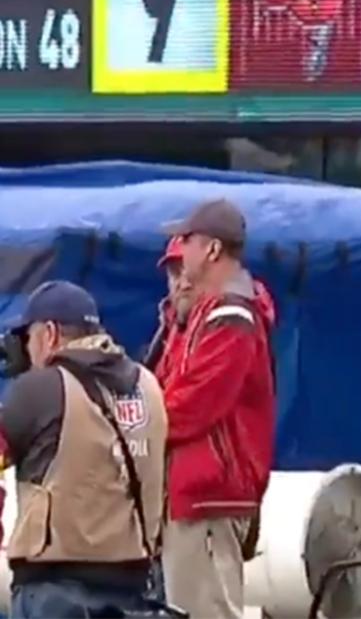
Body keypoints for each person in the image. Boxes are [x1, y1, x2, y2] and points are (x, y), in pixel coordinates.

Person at [0, 280, 167, 617]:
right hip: (136, 585)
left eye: (28, 339)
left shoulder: (41, 388)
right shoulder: (149, 386)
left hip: (54, 588)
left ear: (50, 334)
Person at [159, 199, 276, 619]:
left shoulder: (230, 317)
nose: (179, 249)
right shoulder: (206, 314)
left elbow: (193, 404)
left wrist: (135, 425)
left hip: (209, 496)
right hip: (197, 497)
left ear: (211, 250)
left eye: (186, 240)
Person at [142, 235, 194, 380]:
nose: (183, 283)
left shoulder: (224, 327)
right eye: (176, 273)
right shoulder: (168, 324)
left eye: (190, 273)